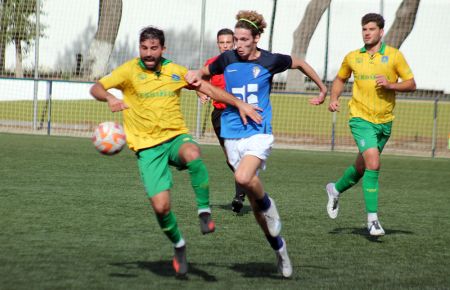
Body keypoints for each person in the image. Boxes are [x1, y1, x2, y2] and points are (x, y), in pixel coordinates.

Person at [90, 26, 262, 278]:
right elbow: (96, 87)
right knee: (161, 208)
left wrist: (238, 103)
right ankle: (179, 245)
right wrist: (109, 98)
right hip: (147, 148)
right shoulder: (128, 70)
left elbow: (207, 88)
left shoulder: (175, 71)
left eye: (153, 48)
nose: (148, 54)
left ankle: (204, 211)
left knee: (192, 153)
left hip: (174, 137)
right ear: (140, 48)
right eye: (144, 48)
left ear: (163, 49)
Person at [186, 10, 327, 278]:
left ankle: (269, 206)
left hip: (258, 132)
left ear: (256, 38)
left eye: (242, 40)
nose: (237, 45)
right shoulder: (226, 58)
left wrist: (322, 88)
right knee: (256, 205)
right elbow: (202, 72)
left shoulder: (270, 60)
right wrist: (196, 79)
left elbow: (300, 63)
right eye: (235, 39)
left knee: (242, 176)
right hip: (231, 134)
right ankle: (280, 249)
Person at [324, 13, 416, 236]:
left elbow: (412, 83)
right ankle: (373, 220)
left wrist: (391, 85)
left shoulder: (394, 56)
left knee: (361, 168)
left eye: (371, 29)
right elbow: (340, 78)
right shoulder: (353, 57)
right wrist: (334, 98)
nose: (367, 33)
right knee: (373, 163)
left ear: (381, 32)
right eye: (364, 29)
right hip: (360, 118)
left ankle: (334, 189)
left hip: (384, 122)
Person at [197, 28, 247, 213]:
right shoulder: (212, 64)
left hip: (238, 113)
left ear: (233, 43)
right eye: (222, 43)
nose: (225, 46)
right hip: (219, 115)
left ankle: (240, 194)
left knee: (242, 154)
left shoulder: (242, 61)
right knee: (230, 157)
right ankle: (245, 182)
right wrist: (200, 91)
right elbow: (198, 80)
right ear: (218, 44)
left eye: (228, 42)